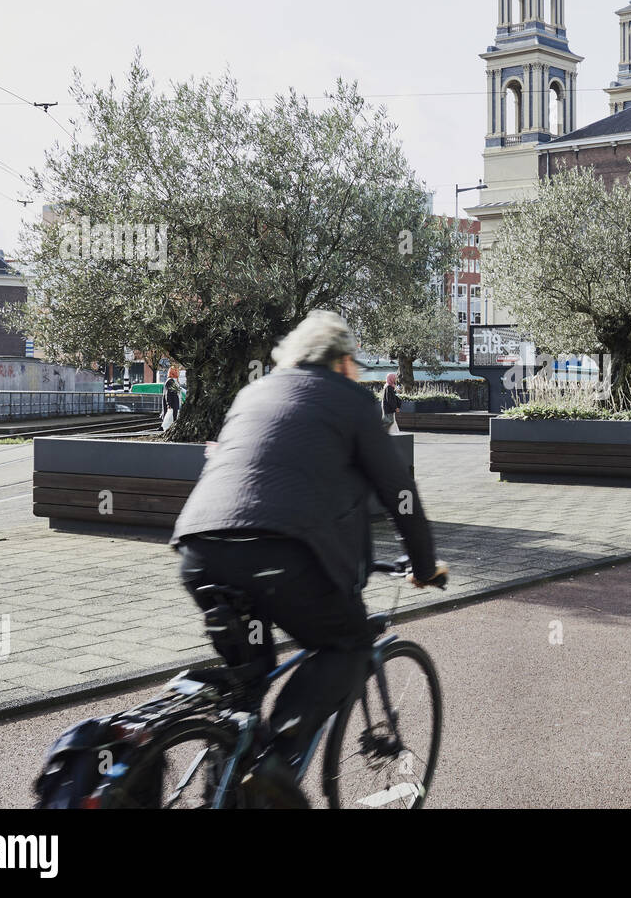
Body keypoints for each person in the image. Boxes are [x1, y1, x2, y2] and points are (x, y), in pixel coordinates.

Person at [171, 310, 448, 807]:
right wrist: (424, 566)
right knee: (346, 645)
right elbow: (399, 492)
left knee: (247, 683)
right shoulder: (350, 400)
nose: (358, 373)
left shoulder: (253, 392)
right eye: (356, 363)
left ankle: (228, 776)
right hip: (281, 556)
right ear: (341, 361)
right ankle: (273, 771)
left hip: (198, 550)